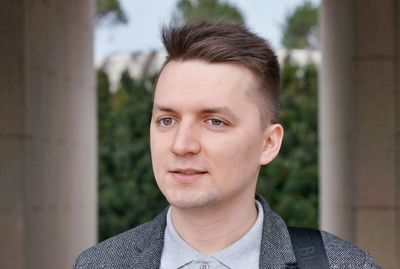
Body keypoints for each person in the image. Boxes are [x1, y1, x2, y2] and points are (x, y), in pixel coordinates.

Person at [74, 22, 380, 269]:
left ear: (269, 143)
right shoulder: (96, 264)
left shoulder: (347, 265)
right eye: (167, 120)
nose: (182, 145)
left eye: (215, 121)